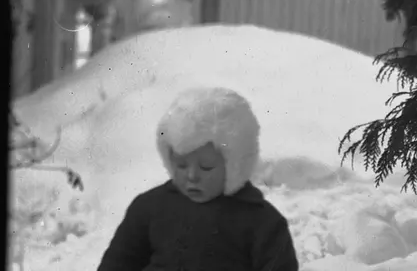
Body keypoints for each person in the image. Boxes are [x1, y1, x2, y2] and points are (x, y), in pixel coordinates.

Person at [97, 86, 299, 271]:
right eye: (181, 165)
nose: (192, 176)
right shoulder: (150, 208)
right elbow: (118, 262)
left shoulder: (262, 223)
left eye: (206, 167)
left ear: (234, 165)